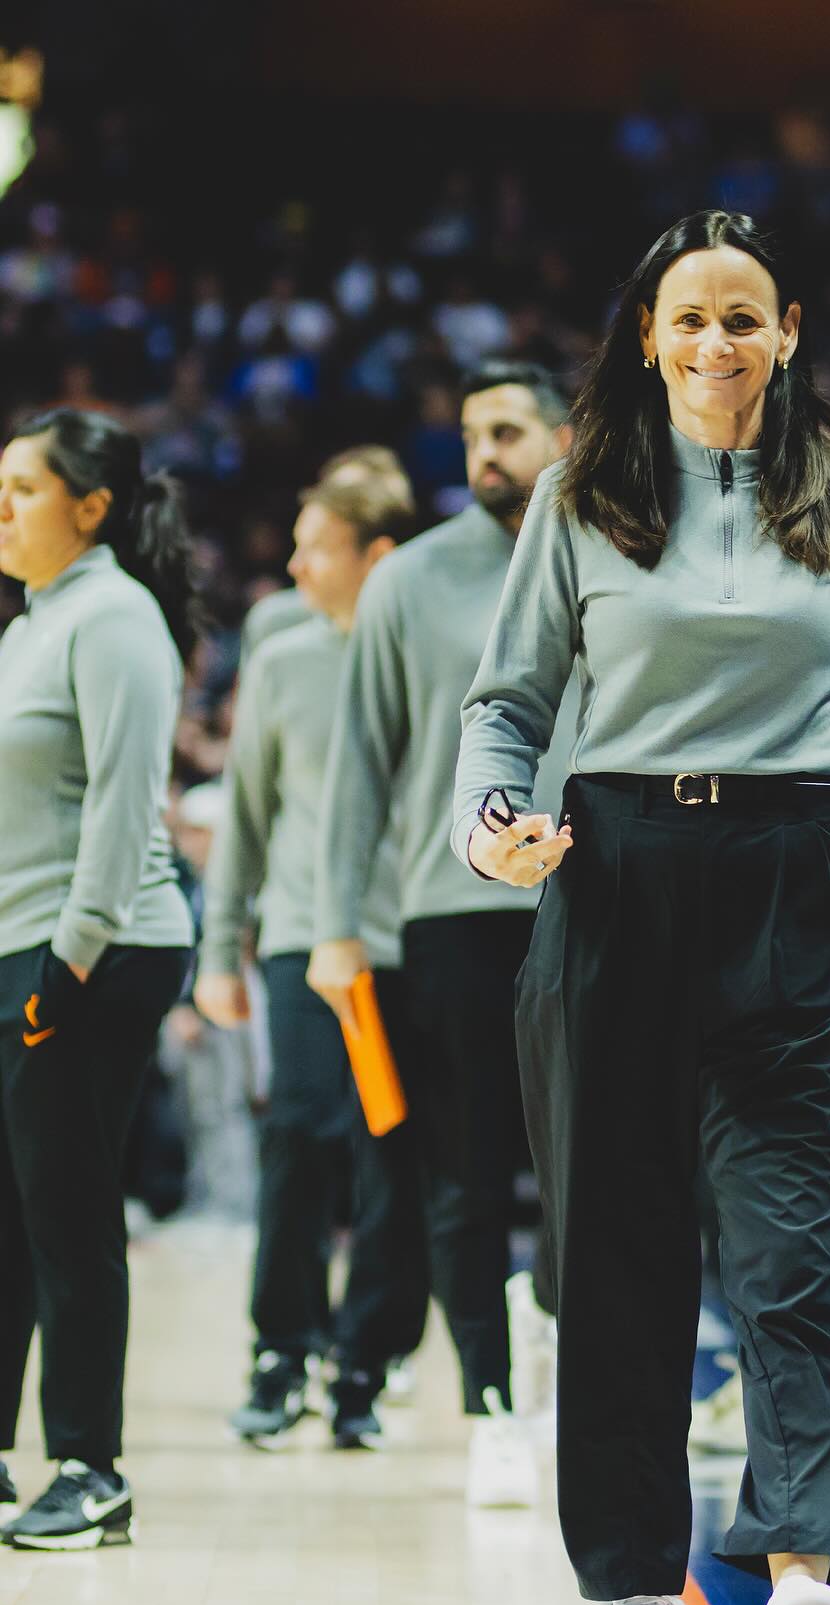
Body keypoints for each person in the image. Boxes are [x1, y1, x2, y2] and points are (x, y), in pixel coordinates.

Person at [453, 210, 830, 1605]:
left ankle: (805, 1573)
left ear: (789, 331)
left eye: (744, 318)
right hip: (611, 871)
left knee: (798, 1243)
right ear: (648, 338)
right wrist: (496, 826)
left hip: (800, 884)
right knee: (613, 1248)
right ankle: (629, 1591)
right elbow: (507, 707)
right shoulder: (581, 497)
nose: (716, 344)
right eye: (689, 320)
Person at [308, 361, 575, 1506]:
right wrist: (335, 927)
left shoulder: (611, 556)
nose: (484, 453)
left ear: (567, 435)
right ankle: (490, 1406)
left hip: (592, 903)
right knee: (461, 1180)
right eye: (471, 432)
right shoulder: (408, 581)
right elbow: (358, 766)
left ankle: (553, 1340)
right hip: (452, 913)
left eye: (508, 430)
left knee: (590, 1173)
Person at [194, 459, 429, 1450]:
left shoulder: (433, 655)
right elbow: (245, 817)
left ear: (377, 557)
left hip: (409, 942)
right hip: (301, 939)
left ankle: (366, 1365)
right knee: (299, 1132)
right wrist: (218, 948)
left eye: (314, 544)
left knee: (398, 1158)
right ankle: (280, 1348)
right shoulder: (282, 659)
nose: (290, 561)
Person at [0, 409, 197, 1549]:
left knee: (68, 1216)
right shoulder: (31, 624)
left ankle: (90, 1466)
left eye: (24, 488)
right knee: (6, 1215)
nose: (4, 507)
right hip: (29, 948)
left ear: (92, 506)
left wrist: (68, 960)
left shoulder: (115, 617)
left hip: (96, 950)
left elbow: (126, 808)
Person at [238, 445, 412, 663]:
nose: (295, 567)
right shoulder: (275, 638)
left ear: (379, 554)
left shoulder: (427, 647)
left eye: (318, 547)